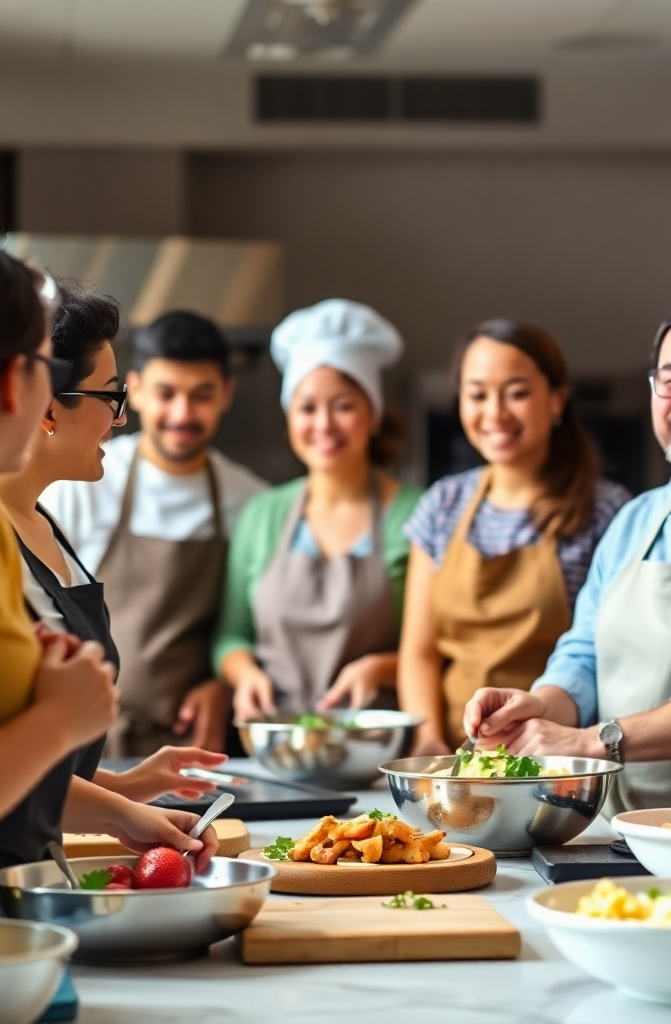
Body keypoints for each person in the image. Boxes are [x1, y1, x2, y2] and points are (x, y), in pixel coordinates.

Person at [464, 293, 671, 814]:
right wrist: (543, 704)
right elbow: (584, 654)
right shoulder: (634, 520)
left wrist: (587, 742)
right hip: (613, 825)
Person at [0, 252, 216, 870]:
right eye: (111, 396)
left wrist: (125, 792)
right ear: (44, 404)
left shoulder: (45, 527)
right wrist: (119, 806)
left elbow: (31, 775)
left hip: (36, 878)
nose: (121, 417)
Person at [398, 319, 630, 755]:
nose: (496, 413)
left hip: (556, 761)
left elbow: (610, 655)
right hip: (453, 755)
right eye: (477, 394)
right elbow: (420, 652)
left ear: (558, 398)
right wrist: (427, 737)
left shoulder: (606, 511)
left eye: (517, 393)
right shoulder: (442, 504)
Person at [42, 311, 266, 755]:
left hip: (195, 747)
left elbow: (249, 626)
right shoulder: (83, 480)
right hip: (89, 739)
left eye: (201, 395)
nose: (182, 414)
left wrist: (221, 682)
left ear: (226, 394)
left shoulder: (251, 501)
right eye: (166, 393)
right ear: (136, 391)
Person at [216, 299, 422, 721]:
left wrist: (381, 668)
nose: (324, 425)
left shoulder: (417, 513)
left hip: (379, 749)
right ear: (290, 417)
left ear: (374, 413)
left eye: (343, 405)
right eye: (307, 407)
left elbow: (447, 649)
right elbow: (230, 637)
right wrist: (245, 674)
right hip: (276, 745)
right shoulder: (262, 514)